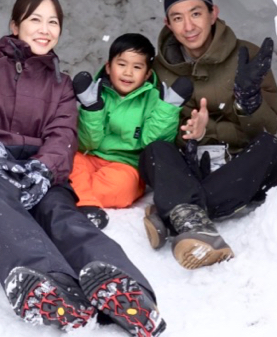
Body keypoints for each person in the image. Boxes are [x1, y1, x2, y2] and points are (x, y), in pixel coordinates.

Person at [0, 0, 166, 337]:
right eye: (35, 19)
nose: (44, 28)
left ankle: (127, 290)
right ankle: (52, 287)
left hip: (34, 173)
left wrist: (42, 170)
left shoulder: (60, 85)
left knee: (63, 215)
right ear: (15, 25)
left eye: (53, 22)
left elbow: (62, 135)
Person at [139, 0, 277, 270]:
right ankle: (191, 216)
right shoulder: (158, 69)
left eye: (196, 13)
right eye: (178, 18)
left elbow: (267, 127)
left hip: (237, 167)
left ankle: (177, 211)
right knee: (154, 150)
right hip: (193, 169)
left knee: (270, 149)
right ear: (168, 24)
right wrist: (190, 135)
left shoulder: (246, 55)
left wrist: (247, 101)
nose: (189, 26)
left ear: (213, 13)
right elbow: (155, 127)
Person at [69, 33, 193, 224]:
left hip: (126, 165)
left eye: (137, 67)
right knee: (68, 163)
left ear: (147, 74)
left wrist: (167, 108)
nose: (128, 73)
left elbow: (151, 143)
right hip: (91, 157)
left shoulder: (153, 99)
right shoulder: (96, 94)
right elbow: (86, 142)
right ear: (109, 67)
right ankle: (84, 200)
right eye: (122, 64)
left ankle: (77, 198)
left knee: (122, 187)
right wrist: (91, 108)